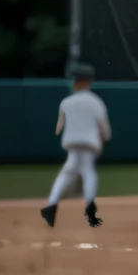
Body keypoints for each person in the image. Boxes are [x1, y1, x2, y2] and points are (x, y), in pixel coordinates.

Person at [41, 63, 111, 229]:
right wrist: (102, 140)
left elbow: (59, 127)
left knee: (67, 172)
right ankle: (90, 212)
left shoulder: (66, 102)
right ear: (89, 82)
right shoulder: (96, 102)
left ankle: (51, 206)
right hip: (89, 144)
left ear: (77, 82)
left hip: (72, 143)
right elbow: (106, 132)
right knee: (88, 172)